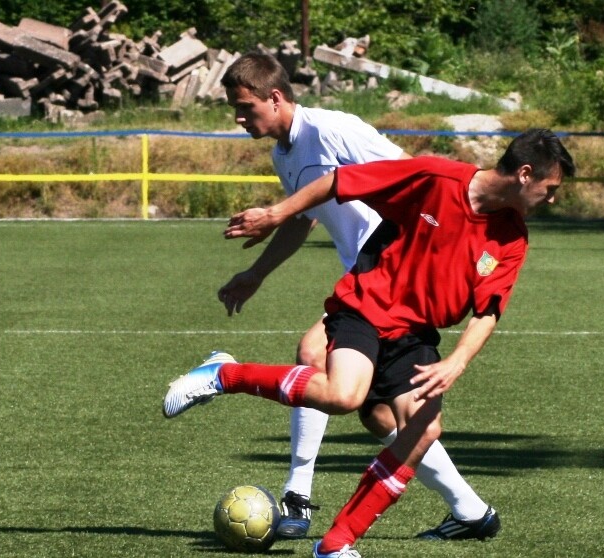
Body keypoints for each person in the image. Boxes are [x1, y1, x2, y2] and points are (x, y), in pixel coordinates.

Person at [163, 128, 575, 558]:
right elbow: (339, 182)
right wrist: (277, 213)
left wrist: (456, 362)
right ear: (525, 174)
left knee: (422, 429)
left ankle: (335, 544)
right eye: (551, 189)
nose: (552, 199)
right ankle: (224, 374)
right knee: (343, 395)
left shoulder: (512, 237)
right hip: (367, 306)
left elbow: (487, 311)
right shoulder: (437, 178)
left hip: (415, 336)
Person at [202, 52, 495, 541]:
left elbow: (414, 179)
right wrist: (256, 273)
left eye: (245, 106)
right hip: (365, 276)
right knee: (380, 414)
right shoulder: (283, 154)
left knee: (313, 352)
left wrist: (416, 253)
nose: (238, 117)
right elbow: (302, 218)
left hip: (392, 272)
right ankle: (470, 510)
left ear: (276, 98)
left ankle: (296, 496)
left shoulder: (335, 129)